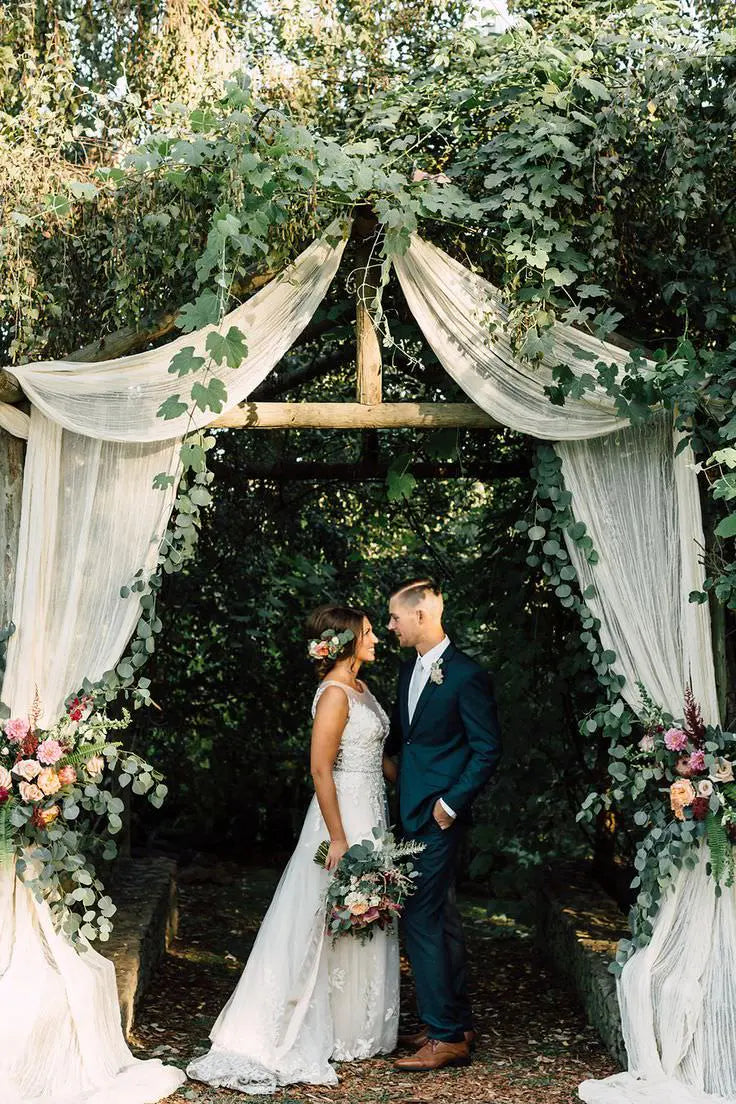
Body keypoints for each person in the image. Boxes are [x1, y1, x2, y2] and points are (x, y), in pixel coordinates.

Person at [186, 604, 399, 1094]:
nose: (375, 639)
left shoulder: (362, 689)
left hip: (372, 809)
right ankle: (300, 1023)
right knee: (321, 914)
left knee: (366, 911)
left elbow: (376, 756)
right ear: (345, 643)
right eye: (368, 633)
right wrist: (339, 837)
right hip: (340, 813)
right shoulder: (333, 695)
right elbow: (321, 769)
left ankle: (357, 1028)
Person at [386, 577, 500, 1072]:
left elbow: (487, 748)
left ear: (421, 616)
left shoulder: (465, 675)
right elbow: (409, 742)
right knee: (442, 917)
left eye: (394, 617)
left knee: (420, 918)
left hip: (439, 817)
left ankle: (446, 1036)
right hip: (409, 810)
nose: (389, 625)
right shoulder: (407, 670)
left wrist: (449, 805)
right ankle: (457, 1022)